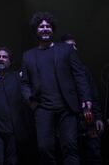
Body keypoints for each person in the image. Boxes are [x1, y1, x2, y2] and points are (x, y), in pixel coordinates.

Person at [21, 12, 92, 165]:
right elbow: (24, 83)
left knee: (70, 148)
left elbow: (79, 75)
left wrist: (86, 98)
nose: (45, 29)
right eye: (41, 26)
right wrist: (31, 102)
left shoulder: (66, 50)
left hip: (67, 108)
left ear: (52, 30)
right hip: (43, 109)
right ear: (36, 30)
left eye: (48, 26)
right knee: (44, 149)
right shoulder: (28, 56)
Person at [0, 47, 38, 165]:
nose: (1, 59)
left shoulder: (18, 77)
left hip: (13, 129)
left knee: (12, 161)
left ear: (10, 61)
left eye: (4, 57)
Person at [61, 33, 104, 165]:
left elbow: (93, 95)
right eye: (70, 46)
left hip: (89, 119)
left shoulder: (84, 70)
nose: (74, 48)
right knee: (73, 155)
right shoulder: (59, 72)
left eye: (75, 46)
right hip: (69, 122)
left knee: (94, 154)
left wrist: (98, 117)